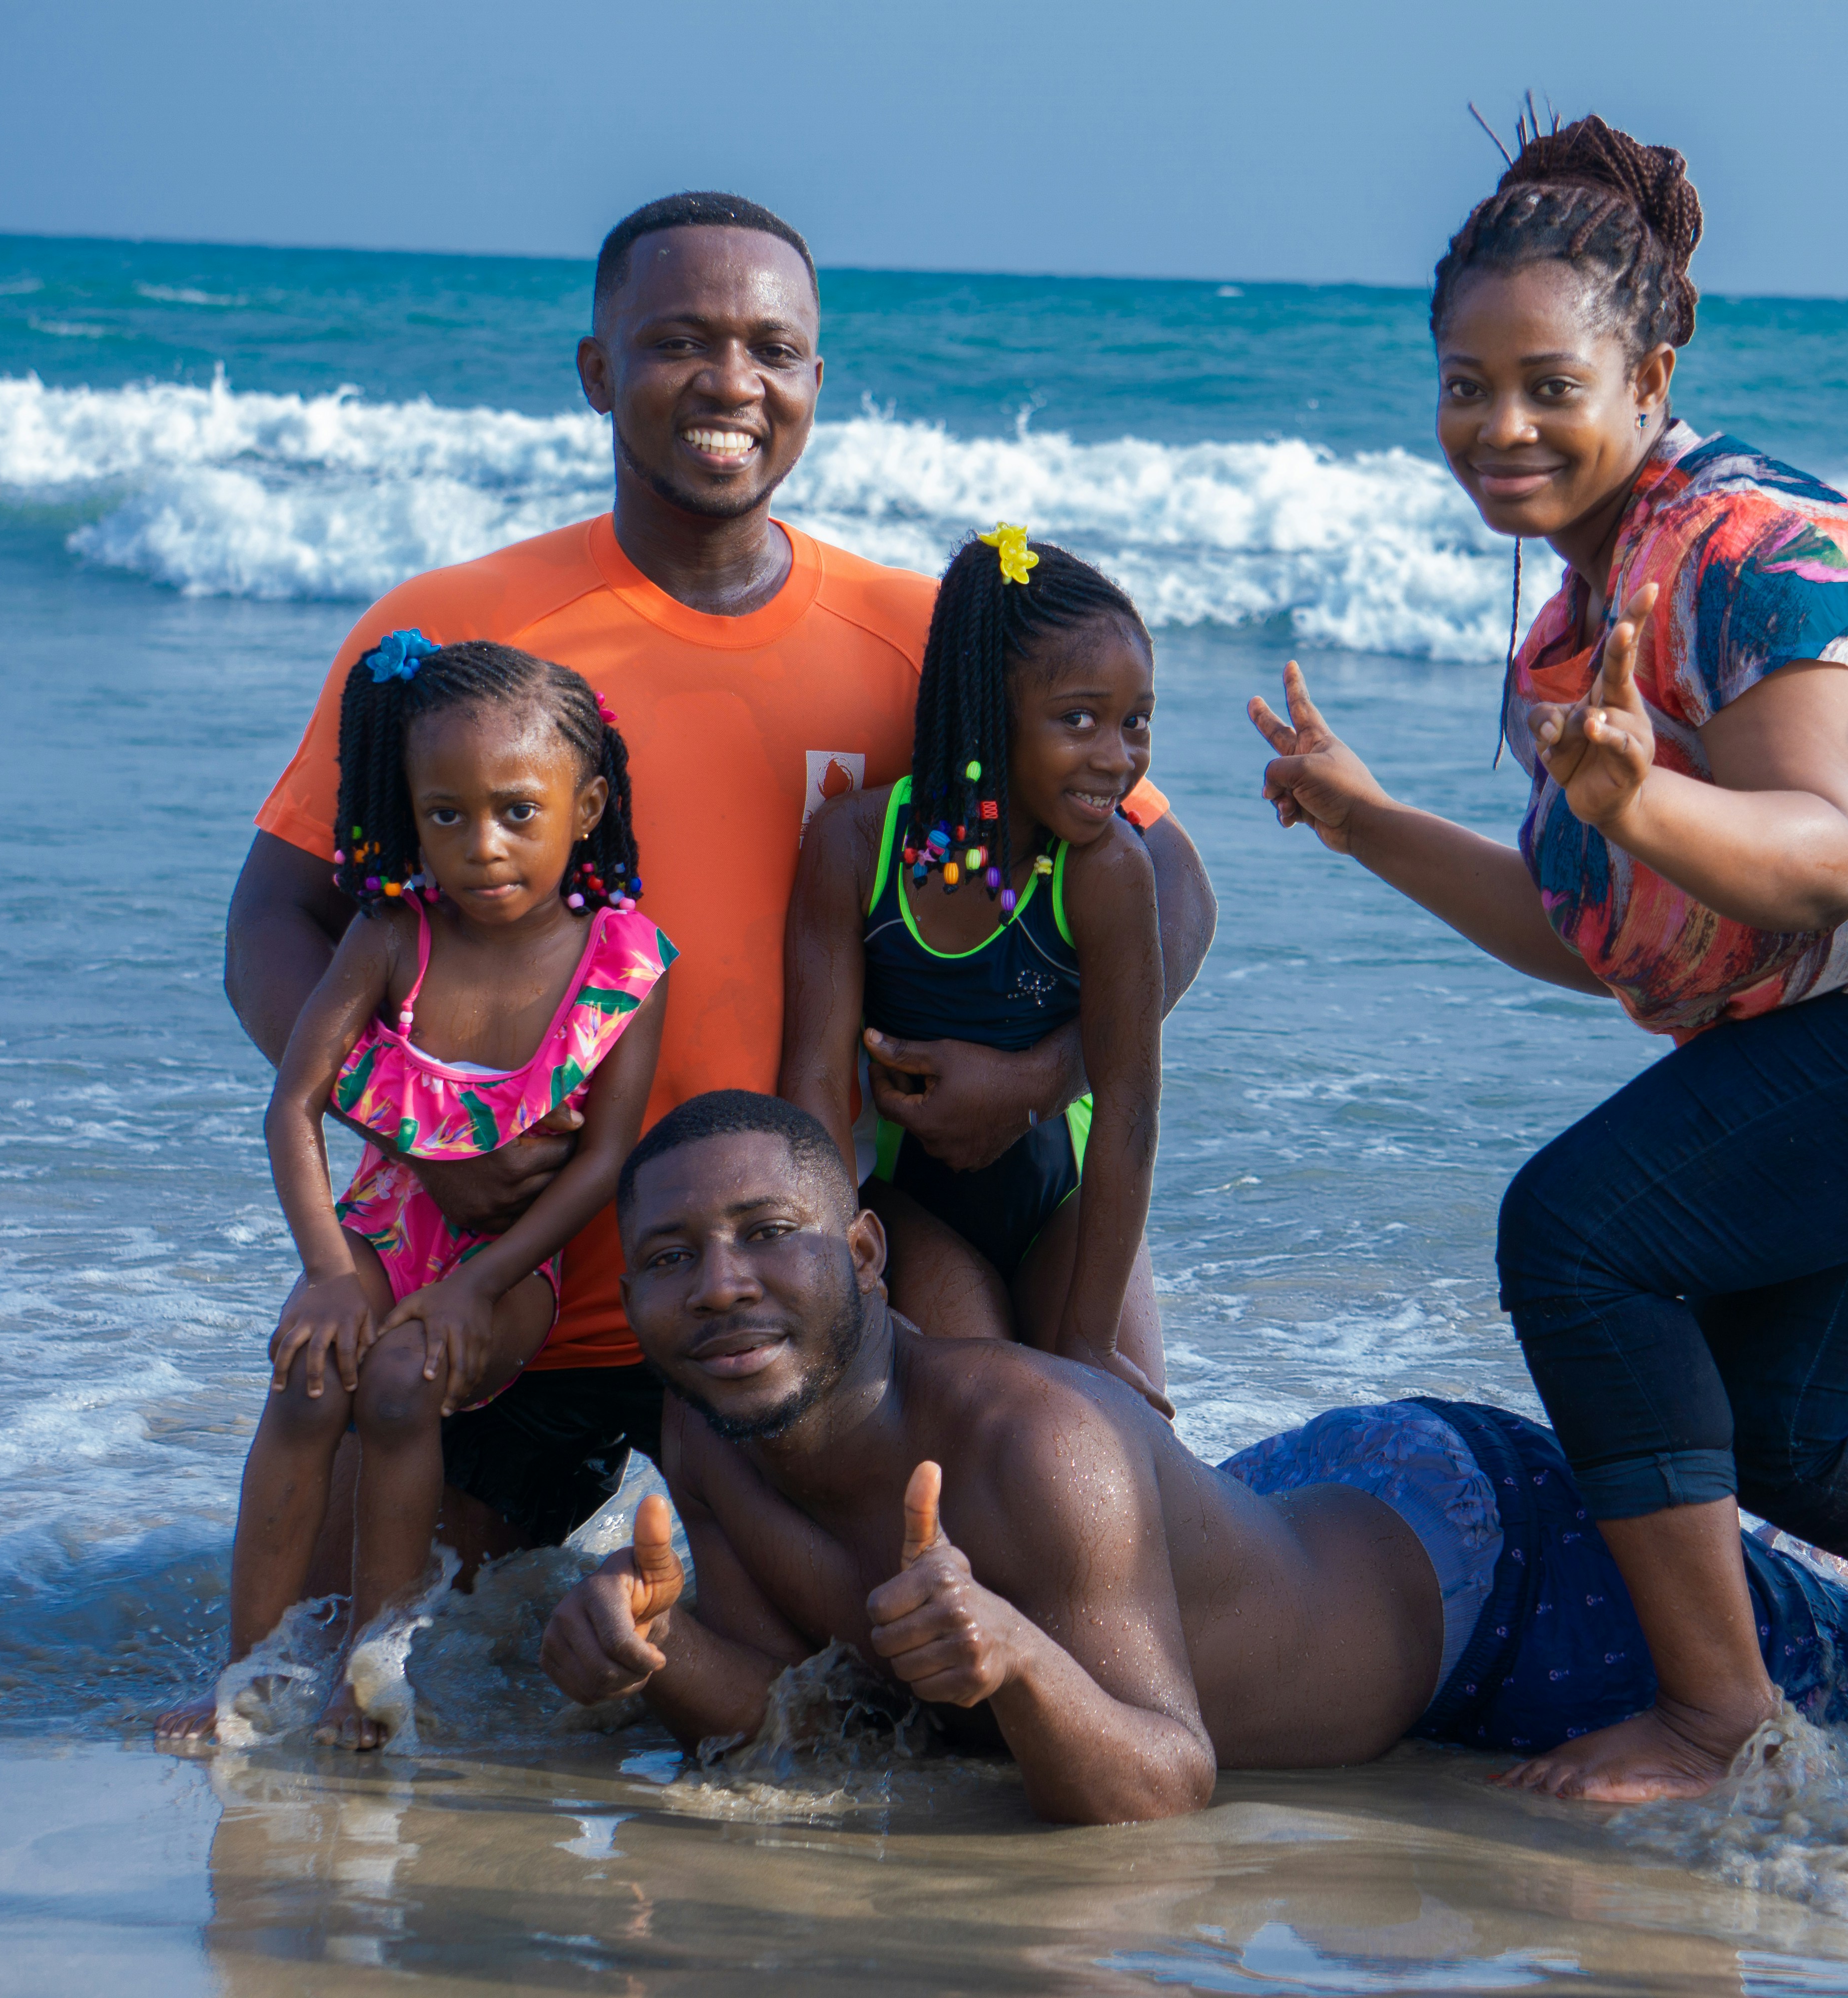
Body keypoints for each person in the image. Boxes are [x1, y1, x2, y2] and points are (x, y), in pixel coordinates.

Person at [1244, 114, 1848, 1803]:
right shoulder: (1582, 607)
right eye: (1465, 385)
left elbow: (1816, 851)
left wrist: (1640, 800)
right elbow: (1597, 940)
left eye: (1548, 383)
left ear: (1652, 370)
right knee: (1783, 1416)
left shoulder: (1737, 550)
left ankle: (1723, 1722)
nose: (1500, 426)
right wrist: (1367, 822)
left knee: (1579, 1236)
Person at [219, 192, 1213, 1592]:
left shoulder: (927, 645)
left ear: (817, 380)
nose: (731, 382)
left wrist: (1041, 1075)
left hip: (797, 1294)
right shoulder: (455, 634)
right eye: (681, 340)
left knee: (917, 1652)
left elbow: (1166, 879)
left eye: (772, 347)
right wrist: (426, 1130)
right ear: (597, 371)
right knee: (359, 1645)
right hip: (521, 1277)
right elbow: (276, 922)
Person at [535, 1094, 1848, 1823]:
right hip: (1301, 1507)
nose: (722, 1285)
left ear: (872, 1259)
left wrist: (1022, 1658)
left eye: (770, 1236)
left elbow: (1163, 1784)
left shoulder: (1033, 1448)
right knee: (1774, 1582)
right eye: (672, 1258)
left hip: (1489, 1574)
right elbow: (806, 1724)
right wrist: (642, 1650)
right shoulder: (711, 1413)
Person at [163, 637, 672, 1748]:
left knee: (401, 1381)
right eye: (445, 816)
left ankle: (367, 1681)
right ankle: (238, 1677)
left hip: (511, 1267)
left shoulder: (624, 964)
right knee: (310, 1377)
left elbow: (605, 1160)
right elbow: (292, 1104)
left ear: (586, 808)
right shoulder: (393, 935)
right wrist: (324, 1273)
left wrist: (474, 1286)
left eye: (515, 813)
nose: (480, 847)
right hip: (374, 1232)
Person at [781, 528, 1170, 1414]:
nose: (1117, 758)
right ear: (992, 712)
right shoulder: (858, 846)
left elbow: (1131, 1108)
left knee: (1115, 1420)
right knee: (987, 1416)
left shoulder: (1108, 873)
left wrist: (1090, 1339)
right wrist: (830, 1256)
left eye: (1136, 720)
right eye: (1080, 718)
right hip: (915, 1203)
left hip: (1063, 1194)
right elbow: (810, 1076)